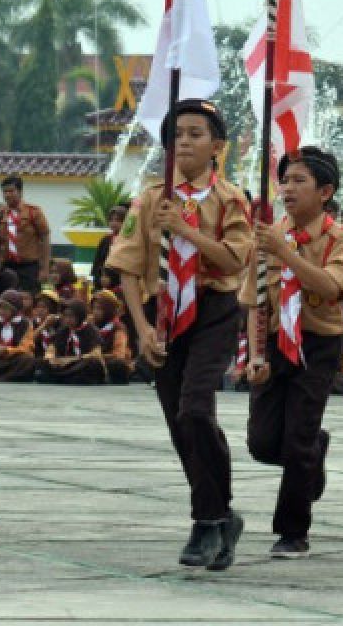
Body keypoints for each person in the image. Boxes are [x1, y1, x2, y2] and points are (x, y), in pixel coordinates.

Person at [106, 99, 253, 571]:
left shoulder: (230, 198)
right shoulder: (150, 198)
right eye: (177, 135)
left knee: (195, 408)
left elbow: (235, 259)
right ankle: (220, 514)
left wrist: (185, 231)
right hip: (163, 309)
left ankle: (205, 519)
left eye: (195, 133)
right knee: (179, 421)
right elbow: (128, 267)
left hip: (212, 310)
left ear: (217, 146)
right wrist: (143, 327)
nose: (184, 142)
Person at [243, 146, 343, 559]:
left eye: (299, 181)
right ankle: (314, 452)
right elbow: (255, 300)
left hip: (317, 345)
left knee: (296, 440)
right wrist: (255, 355)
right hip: (275, 344)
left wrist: (286, 253)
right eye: (285, 180)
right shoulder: (267, 236)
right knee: (262, 442)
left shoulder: (338, 239)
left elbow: (331, 289)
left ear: (325, 191)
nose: (288, 189)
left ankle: (292, 532)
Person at [0, 175, 51, 294]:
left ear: (20, 192)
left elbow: (45, 238)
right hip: (7, 265)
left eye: (11, 191)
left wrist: (44, 268)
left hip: (28, 266)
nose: (7, 195)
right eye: (4, 192)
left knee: (28, 298)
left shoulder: (33, 212)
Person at [38, 299, 106, 384]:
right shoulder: (63, 330)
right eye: (65, 316)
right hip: (64, 364)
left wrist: (71, 360)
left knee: (92, 363)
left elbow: (96, 354)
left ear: (80, 316)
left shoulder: (91, 330)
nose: (67, 319)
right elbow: (52, 348)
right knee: (42, 362)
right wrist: (50, 357)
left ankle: (63, 377)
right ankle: (65, 376)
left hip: (80, 362)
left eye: (71, 316)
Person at [92, 290, 133, 384]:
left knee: (117, 364)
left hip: (111, 362)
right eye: (93, 308)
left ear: (109, 309)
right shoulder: (91, 325)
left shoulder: (118, 327)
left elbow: (119, 354)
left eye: (99, 309)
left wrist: (96, 356)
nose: (95, 312)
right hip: (94, 361)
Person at [91, 206, 128, 291]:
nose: (114, 223)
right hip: (103, 285)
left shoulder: (130, 241)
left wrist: (112, 280)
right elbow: (97, 263)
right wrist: (100, 279)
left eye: (118, 220)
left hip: (123, 287)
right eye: (111, 220)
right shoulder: (105, 240)